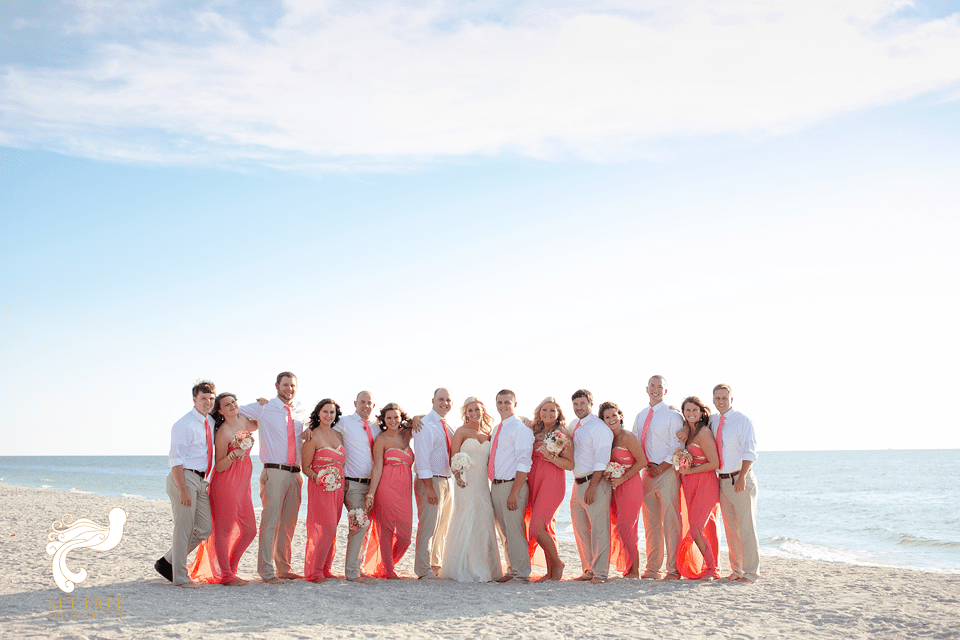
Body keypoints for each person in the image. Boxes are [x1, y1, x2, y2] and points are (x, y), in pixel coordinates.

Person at [187, 392, 259, 586]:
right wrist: (234, 455)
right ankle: (226, 575)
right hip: (226, 483)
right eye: (227, 405)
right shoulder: (223, 433)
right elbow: (219, 466)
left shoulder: (244, 421)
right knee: (223, 531)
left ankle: (230, 568)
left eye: (234, 402)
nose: (232, 406)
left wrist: (261, 405)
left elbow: (260, 422)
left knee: (250, 530)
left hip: (243, 485)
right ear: (220, 411)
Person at [239, 372, 304, 583]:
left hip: (296, 474)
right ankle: (266, 571)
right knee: (270, 523)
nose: (289, 389)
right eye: (285, 385)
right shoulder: (264, 407)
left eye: (292, 385)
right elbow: (234, 411)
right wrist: (250, 427)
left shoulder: (300, 412)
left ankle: (284, 568)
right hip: (274, 471)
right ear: (277, 386)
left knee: (288, 524)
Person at [155, 380, 216, 588]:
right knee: (184, 529)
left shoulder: (210, 422)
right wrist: (182, 490)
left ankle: (166, 562)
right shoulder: (184, 425)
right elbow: (175, 460)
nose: (208, 402)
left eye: (211, 399)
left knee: (204, 529)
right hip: (184, 478)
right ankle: (179, 577)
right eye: (203, 399)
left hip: (201, 480)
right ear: (194, 400)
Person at [440, 397, 503, 582]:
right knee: (466, 519)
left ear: (482, 410)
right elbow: (453, 459)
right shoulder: (461, 431)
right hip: (465, 484)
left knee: (483, 523)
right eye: (470, 410)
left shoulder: (488, 434)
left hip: (483, 485)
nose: (474, 413)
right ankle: (464, 567)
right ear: (465, 413)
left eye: (477, 409)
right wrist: (457, 476)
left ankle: (485, 567)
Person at [632, 374, 684, 580]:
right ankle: (653, 569)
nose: (655, 390)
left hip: (667, 472)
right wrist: (643, 466)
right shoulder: (640, 416)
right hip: (647, 473)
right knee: (651, 523)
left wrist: (661, 467)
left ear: (665, 391)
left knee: (671, 521)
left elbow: (678, 445)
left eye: (659, 387)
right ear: (647, 389)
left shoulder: (673, 416)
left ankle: (673, 569)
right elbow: (635, 443)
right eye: (652, 386)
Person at [710, 384, 760, 583]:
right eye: (718, 398)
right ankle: (737, 570)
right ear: (713, 400)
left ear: (732, 399)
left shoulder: (742, 421)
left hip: (740, 479)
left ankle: (751, 572)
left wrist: (741, 478)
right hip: (722, 481)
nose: (721, 401)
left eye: (725, 398)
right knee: (731, 529)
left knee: (746, 527)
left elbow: (750, 452)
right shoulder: (713, 421)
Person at [364, 403, 415, 579]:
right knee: (385, 530)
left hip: (405, 491)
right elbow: (377, 468)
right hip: (386, 487)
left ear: (401, 418)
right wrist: (371, 494)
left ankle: (384, 564)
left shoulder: (406, 435)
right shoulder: (382, 440)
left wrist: (413, 420)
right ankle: (388, 569)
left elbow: (424, 418)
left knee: (405, 536)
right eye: (389, 418)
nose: (393, 420)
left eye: (396, 417)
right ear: (384, 420)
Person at [489, 389, 535, 583]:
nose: (503, 406)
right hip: (497, 485)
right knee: (505, 532)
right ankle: (512, 569)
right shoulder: (497, 429)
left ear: (514, 404)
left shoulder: (520, 429)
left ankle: (522, 573)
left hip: (512, 486)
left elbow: (524, 463)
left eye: (507, 402)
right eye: (500, 402)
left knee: (515, 530)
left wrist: (514, 493)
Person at [568, 389, 613, 584]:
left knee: (599, 529)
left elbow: (601, 461)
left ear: (591, 404)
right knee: (580, 529)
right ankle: (588, 569)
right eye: (576, 404)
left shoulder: (599, 427)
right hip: (577, 484)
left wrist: (593, 487)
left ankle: (600, 573)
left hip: (594, 483)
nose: (579, 408)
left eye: (582, 404)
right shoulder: (574, 426)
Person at [526, 397, 573, 582]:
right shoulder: (534, 430)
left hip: (552, 481)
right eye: (544, 410)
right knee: (545, 527)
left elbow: (570, 464)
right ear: (539, 412)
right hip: (534, 480)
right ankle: (551, 572)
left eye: (552, 411)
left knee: (537, 527)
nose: (548, 413)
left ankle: (558, 563)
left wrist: (551, 457)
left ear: (558, 414)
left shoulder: (562, 433)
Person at [333, 390, 377, 583]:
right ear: (355, 403)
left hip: (372, 486)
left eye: (369, 403)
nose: (366, 406)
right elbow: (323, 427)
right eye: (362, 402)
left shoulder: (376, 427)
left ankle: (357, 567)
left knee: (364, 527)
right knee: (358, 526)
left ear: (373, 406)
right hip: (353, 484)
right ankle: (352, 573)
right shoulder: (344, 422)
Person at [676, 395, 721, 580]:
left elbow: (715, 463)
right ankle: (714, 566)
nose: (691, 413)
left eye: (695, 410)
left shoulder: (704, 433)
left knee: (695, 528)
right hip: (690, 485)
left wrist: (690, 471)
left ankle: (710, 569)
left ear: (702, 412)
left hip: (705, 483)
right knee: (707, 527)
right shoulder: (690, 432)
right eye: (687, 410)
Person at [600, 401, 646, 579]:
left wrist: (623, 478)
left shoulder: (627, 437)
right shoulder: (608, 439)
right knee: (619, 528)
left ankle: (634, 571)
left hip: (630, 485)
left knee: (626, 527)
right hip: (614, 488)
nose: (611, 419)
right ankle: (629, 568)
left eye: (614, 415)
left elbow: (642, 461)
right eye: (607, 417)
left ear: (620, 416)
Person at [412, 388, 455, 579]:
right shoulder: (424, 424)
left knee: (442, 526)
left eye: (447, 400)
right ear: (432, 400)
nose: (444, 403)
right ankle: (422, 569)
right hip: (431, 481)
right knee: (428, 526)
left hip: (447, 480)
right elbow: (422, 459)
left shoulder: (449, 427)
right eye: (440, 399)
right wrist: (429, 488)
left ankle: (435, 564)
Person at [302, 399, 345, 582]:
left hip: (338, 488)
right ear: (318, 413)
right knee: (325, 528)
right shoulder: (312, 436)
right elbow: (306, 467)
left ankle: (326, 568)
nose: (329, 415)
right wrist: (318, 479)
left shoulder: (339, 436)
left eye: (332, 412)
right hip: (320, 487)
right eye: (325, 412)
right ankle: (315, 571)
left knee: (333, 528)